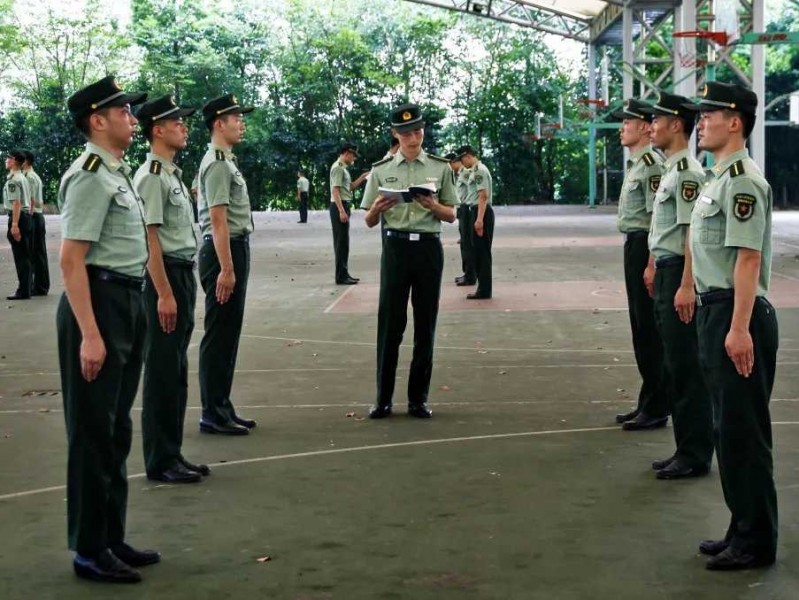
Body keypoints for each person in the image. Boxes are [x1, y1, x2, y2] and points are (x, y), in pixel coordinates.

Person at [57, 75, 158, 583]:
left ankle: (111, 535)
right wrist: (90, 335)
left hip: (126, 298)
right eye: (123, 111)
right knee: (93, 431)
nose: (132, 118)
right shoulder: (89, 175)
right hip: (96, 304)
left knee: (116, 426)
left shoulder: (115, 173)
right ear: (98, 120)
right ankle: (88, 549)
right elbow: (71, 261)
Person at [686, 82, 778, 571]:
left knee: (744, 432)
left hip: (736, 313)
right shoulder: (718, 177)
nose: (701, 121)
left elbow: (747, 258)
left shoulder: (743, 180)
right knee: (727, 429)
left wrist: (739, 328)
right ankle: (740, 525)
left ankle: (756, 541)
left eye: (709, 115)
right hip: (715, 309)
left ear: (735, 121)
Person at [361, 103, 458, 419]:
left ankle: (418, 398)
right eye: (405, 132)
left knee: (425, 324)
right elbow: (370, 221)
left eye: (417, 130)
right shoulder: (381, 169)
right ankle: (383, 399)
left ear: (423, 130)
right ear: (395, 134)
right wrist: (377, 208)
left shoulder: (440, 167)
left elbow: (452, 215)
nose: (413, 136)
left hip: (428, 249)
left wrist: (432, 206)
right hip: (396, 249)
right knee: (390, 324)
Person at [133, 95, 209, 483]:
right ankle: (160, 459)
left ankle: (173, 452)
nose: (184, 127)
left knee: (176, 367)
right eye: (176, 122)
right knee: (162, 369)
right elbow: (150, 240)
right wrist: (163, 292)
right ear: (157, 130)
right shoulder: (151, 177)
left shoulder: (172, 174)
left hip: (181, 273)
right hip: (165, 277)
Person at [641, 92, 713, 479]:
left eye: (658, 119)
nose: (652, 126)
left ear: (676, 125)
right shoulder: (671, 168)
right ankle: (685, 447)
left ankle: (695, 452)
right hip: (666, 268)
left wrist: (686, 284)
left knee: (686, 366)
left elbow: (690, 233)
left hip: (679, 275)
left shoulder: (687, 171)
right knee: (674, 362)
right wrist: (653, 262)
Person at [196, 94, 257, 435]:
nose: (241, 123)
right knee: (220, 333)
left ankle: (222, 404)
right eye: (236, 118)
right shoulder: (218, 162)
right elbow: (217, 220)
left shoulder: (224, 160)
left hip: (232, 249)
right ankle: (212, 411)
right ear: (219, 123)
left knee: (228, 332)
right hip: (224, 252)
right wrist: (227, 269)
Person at [612, 98, 669, 431]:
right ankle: (648, 401)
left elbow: (655, 219)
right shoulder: (637, 163)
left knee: (648, 330)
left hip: (644, 248)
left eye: (628, 122)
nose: (623, 127)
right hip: (632, 246)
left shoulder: (651, 166)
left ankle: (658, 405)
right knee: (639, 328)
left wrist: (650, 264)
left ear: (647, 127)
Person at [457, 145, 494, 299]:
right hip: (476, 211)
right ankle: (482, 288)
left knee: (482, 253)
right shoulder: (474, 170)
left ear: (468, 156)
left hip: (481, 213)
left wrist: (479, 220)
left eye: (462, 159)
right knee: (477, 252)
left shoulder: (479, 170)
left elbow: (483, 196)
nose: (461, 162)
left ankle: (484, 290)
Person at [329, 143, 368, 285]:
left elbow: (349, 187)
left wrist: (363, 177)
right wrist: (341, 211)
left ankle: (344, 273)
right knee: (341, 243)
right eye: (353, 155)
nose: (354, 158)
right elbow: (335, 191)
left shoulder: (343, 169)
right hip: (339, 206)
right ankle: (341, 276)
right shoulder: (338, 168)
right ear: (346, 153)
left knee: (344, 243)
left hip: (343, 205)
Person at [4, 150, 32, 299]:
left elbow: (16, 202)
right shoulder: (22, 177)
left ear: (14, 161)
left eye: (8, 158)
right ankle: (26, 288)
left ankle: (23, 290)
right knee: (25, 255)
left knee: (21, 257)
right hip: (25, 217)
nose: (5, 160)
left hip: (19, 218)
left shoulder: (13, 180)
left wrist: (14, 225)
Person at [22, 150, 49, 296]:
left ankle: (40, 286)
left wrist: (28, 218)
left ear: (26, 161)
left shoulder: (30, 177)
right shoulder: (32, 175)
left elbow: (31, 200)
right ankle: (40, 285)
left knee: (36, 253)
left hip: (34, 216)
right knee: (38, 253)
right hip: (37, 216)